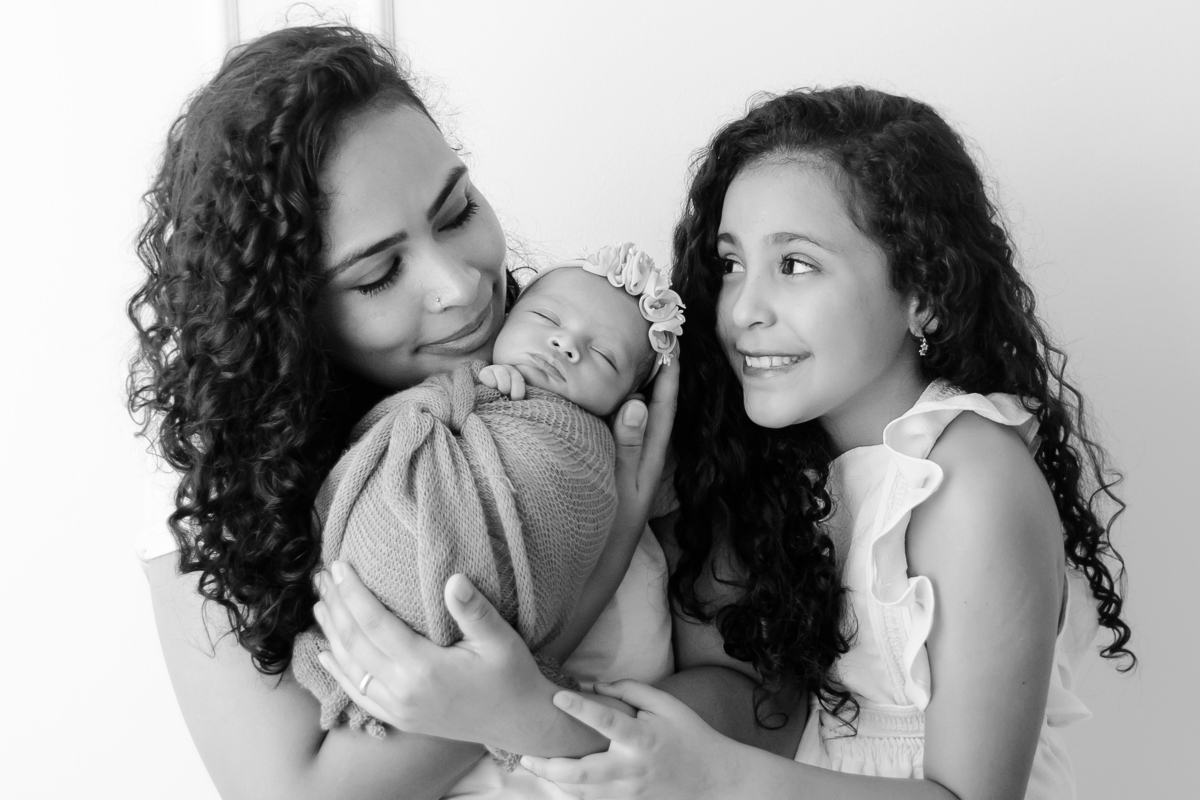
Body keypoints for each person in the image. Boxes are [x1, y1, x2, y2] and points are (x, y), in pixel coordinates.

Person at [317, 87, 1134, 800]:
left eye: (797, 266)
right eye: (732, 264)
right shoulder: (786, 473)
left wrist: (714, 778)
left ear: (923, 292)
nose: (743, 309)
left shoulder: (967, 477)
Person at [129, 25, 677, 800]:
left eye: (456, 212)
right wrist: (600, 557)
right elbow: (293, 795)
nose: (461, 286)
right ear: (288, 316)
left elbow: (752, 714)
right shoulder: (215, 491)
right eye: (380, 274)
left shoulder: (601, 361)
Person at [293, 245, 685, 754]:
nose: (566, 344)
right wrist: (470, 391)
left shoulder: (589, 450)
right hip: (376, 583)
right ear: (510, 318)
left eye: (606, 356)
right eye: (547, 318)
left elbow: (565, 525)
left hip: (497, 657)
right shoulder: (470, 382)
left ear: (627, 402)